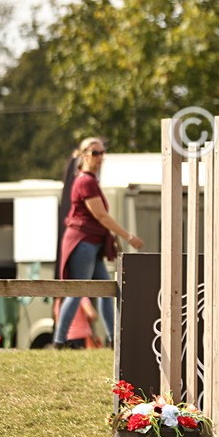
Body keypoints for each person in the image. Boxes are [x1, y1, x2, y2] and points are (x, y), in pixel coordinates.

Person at [54, 138, 144, 347]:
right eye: (95, 153)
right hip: (83, 242)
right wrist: (128, 236)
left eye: (103, 153)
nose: (100, 157)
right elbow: (101, 216)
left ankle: (113, 338)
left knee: (107, 290)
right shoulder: (85, 181)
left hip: (91, 244)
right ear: (84, 154)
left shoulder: (91, 180)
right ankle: (59, 341)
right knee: (78, 291)